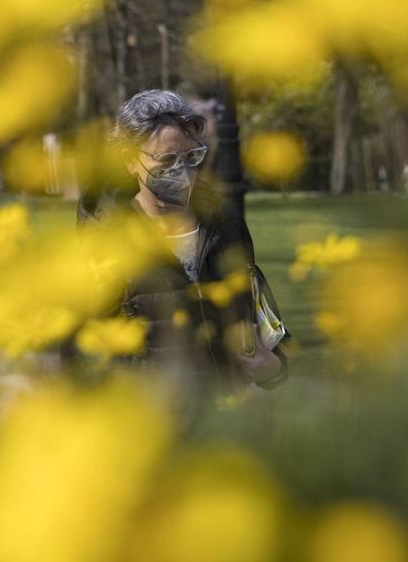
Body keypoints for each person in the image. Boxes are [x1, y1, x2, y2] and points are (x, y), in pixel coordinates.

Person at [76, 89, 287, 398]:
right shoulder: (105, 238)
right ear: (129, 160)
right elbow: (84, 356)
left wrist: (273, 367)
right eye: (167, 160)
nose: (183, 173)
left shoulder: (224, 223)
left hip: (226, 421)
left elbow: (260, 317)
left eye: (192, 157)